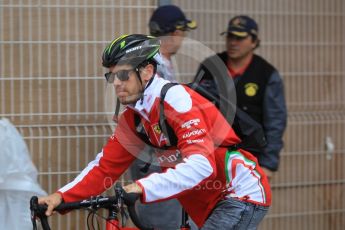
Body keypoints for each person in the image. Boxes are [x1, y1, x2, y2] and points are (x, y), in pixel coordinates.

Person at [38, 34, 271, 229]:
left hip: (238, 193)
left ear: (147, 71)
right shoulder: (133, 117)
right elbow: (103, 168)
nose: (116, 83)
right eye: (111, 76)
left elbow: (202, 165)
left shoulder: (176, 100)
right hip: (200, 204)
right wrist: (60, 197)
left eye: (123, 74)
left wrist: (143, 187)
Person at [129, 5, 197, 229]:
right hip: (154, 153)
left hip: (156, 152)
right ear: (175, 32)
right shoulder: (153, 65)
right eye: (182, 32)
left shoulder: (158, 62)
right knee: (164, 218)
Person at [196, 15, 287, 179]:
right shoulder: (211, 66)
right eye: (230, 36)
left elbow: (275, 121)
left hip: (249, 159)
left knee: (247, 204)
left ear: (254, 41)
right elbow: (194, 109)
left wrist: (268, 164)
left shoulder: (266, 74)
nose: (233, 42)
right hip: (211, 158)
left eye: (239, 38)